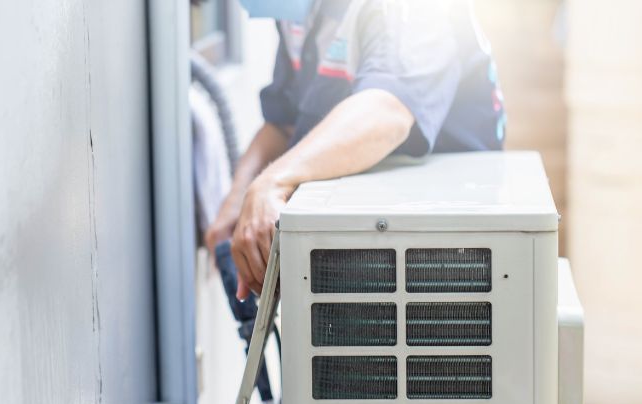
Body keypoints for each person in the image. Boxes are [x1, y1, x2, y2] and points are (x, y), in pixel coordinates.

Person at [206, 0, 506, 298]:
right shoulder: (299, 14)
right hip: (361, 244)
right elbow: (284, 123)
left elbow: (387, 112)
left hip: (444, 249)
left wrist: (272, 182)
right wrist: (239, 199)